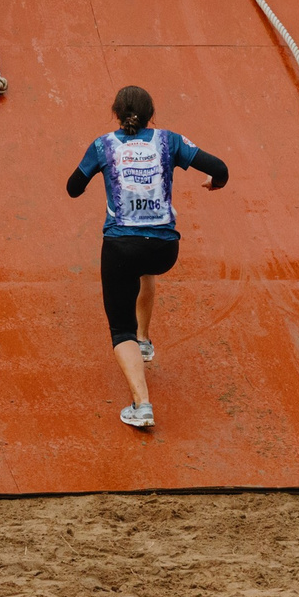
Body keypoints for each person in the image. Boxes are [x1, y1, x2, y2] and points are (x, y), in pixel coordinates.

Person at [64, 85, 228, 431]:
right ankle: (145, 341)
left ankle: (142, 404)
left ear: (116, 114)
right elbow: (220, 168)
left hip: (122, 247)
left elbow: (73, 188)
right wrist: (215, 182)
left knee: (118, 326)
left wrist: (100, 171)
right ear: (151, 114)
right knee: (144, 269)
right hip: (164, 249)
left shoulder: (103, 145)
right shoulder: (169, 141)